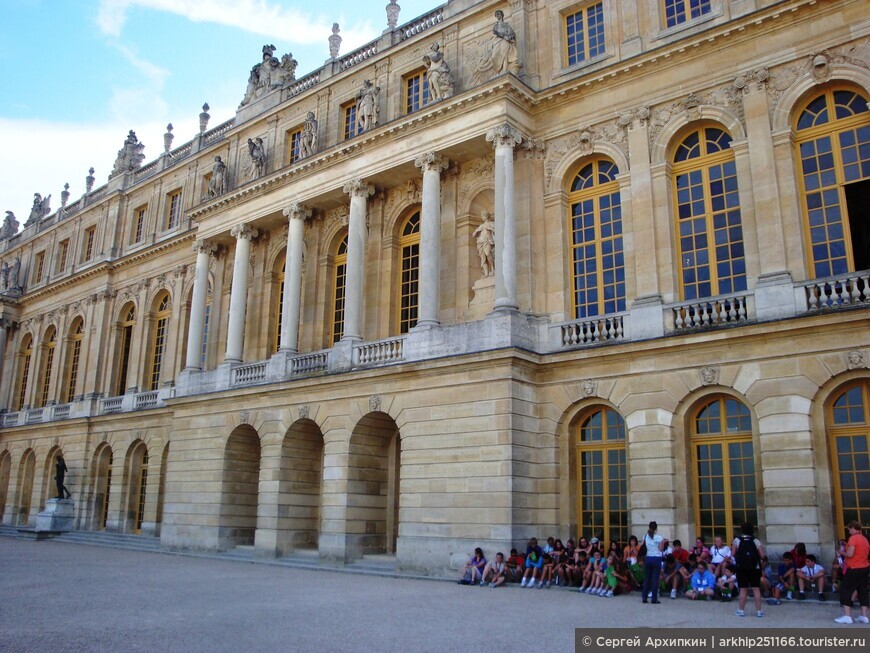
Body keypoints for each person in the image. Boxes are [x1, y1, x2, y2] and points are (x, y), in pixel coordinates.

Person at [835, 521, 870, 624]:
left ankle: (847, 615)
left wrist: (842, 553)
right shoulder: (865, 539)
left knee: (845, 589)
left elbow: (850, 554)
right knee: (862, 590)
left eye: (849, 529)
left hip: (854, 567)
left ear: (854, 528)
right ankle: (864, 615)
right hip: (865, 566)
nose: (849, 531)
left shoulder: (853, 538)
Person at [731, 521, 765, 618]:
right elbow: (762, 555)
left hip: (741, 567)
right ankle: (759, 611)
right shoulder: (756, 540)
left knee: (743, 589)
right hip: (754, 567)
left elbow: (733, 554)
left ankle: (741, 610)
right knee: (756, 589)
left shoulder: (737, 540)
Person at [641, 521, 665, 603]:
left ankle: (644, 597)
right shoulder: (659, 537)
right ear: (656, 528)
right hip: (657, 558)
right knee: (655, 579)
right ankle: (654, 598)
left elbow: (643, 546)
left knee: (647, 578)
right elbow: (661, 549)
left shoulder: (645, 536)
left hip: (648, 557)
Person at [472, 212, 495, 277]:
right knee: (483, 258)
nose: (482, 217)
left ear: (486, 216)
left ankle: (493, 269)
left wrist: (491, 229)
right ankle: (486, 273)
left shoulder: (492, 224)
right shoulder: (481, 226)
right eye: (481, 216)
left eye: (483, 216)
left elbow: (497, 231)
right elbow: (473, 235)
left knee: (488, 254)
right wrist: (476, 231)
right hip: (480, 242)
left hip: (488, 241)